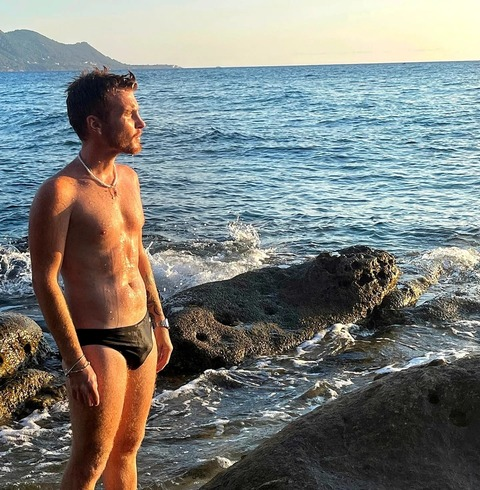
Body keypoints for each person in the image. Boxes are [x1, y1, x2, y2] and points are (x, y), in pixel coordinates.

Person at [29, 68, 173, 489]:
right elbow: (45, 281)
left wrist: (159, 321)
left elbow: (138, 254)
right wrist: (74, 361)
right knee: (90, 461)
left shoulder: (129, 180)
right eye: (129, 115)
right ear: (95, 123)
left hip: (142, 329)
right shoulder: (61, 192)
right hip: (98, 339)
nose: (141, 123)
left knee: (128, 450)